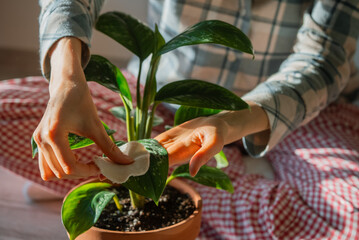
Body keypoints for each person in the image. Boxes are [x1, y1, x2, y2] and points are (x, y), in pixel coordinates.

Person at [1, 0, 358, 238]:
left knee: (352, 220)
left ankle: (166, 181)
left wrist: (229, 122)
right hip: (164, 104)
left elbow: (323, 61)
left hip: (303, 111)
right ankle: (218, 186)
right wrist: (65, 76)